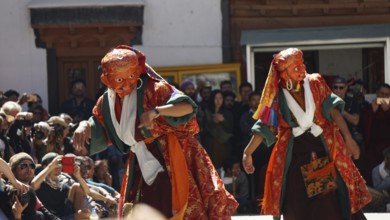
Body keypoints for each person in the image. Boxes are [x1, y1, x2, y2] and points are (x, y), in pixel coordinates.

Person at [72, 45, 238, 219]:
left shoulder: (155, 89)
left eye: (129, 77)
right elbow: (98, 122)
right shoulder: (107, 101)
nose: (124, 86)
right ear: (106, 79)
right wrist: (84, 125)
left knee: (173, 206)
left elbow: (186, 107)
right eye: (118, 81)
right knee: (140, 207)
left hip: (170, 156)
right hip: (140, 160)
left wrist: (157, 111)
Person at [242, 48, 371, 219]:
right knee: (297, 207)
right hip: (294, 158)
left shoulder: (315, 82)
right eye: (295, 68)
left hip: (322, 154)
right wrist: (247, 152)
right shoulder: (277, 95)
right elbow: (265, 125)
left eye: (302, 64)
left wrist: (348, 138)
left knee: (327, 205)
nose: (302, 70)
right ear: (283, 72)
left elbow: (333, 111)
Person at [361, 83, 390, 185]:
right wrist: (373, 111)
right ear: (377, 93)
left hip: (387, 147)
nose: (384, 97)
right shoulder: (369, 107)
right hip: (372, 147)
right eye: (382, 93)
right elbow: (364, 126)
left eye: (387, 95)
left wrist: (387, 111)